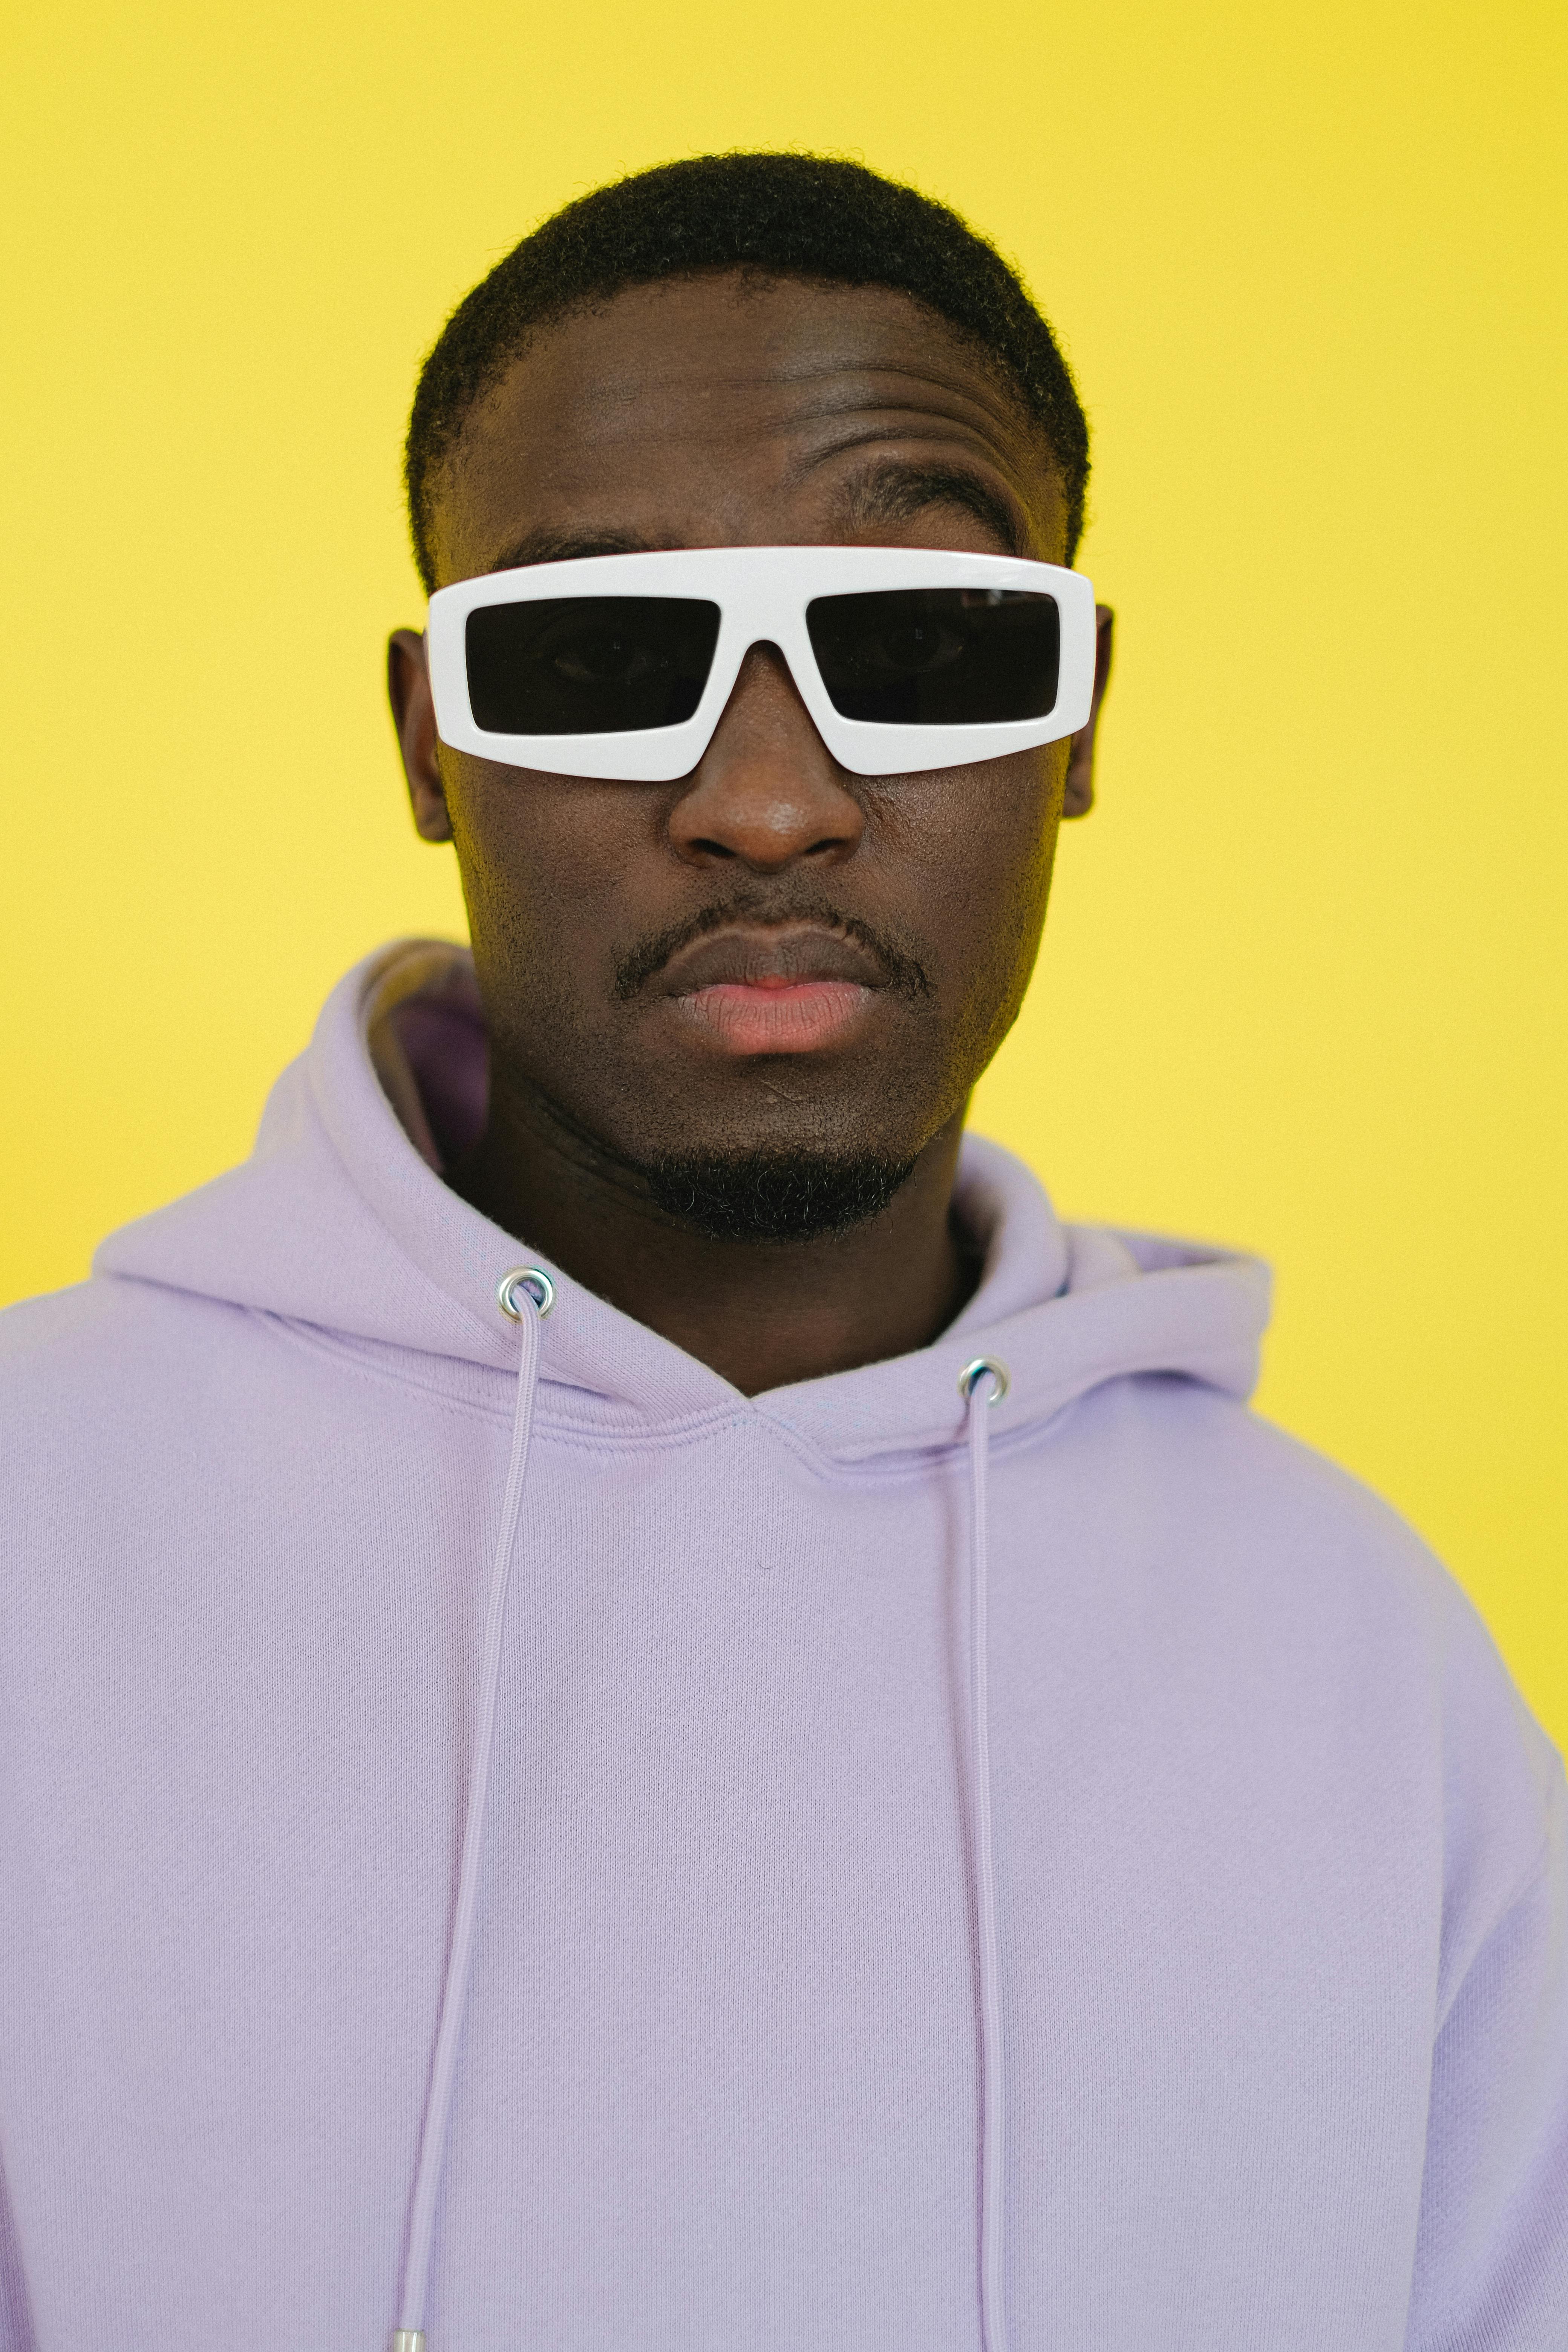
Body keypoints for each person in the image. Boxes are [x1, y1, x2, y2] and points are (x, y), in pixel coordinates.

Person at [0, 152, 1562, 2352]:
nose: (767, 800)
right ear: (430, 744)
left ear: (1078, 723)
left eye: (924, 645)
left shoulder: (1362, 1661)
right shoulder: (30, 1526)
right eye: (600, 652)